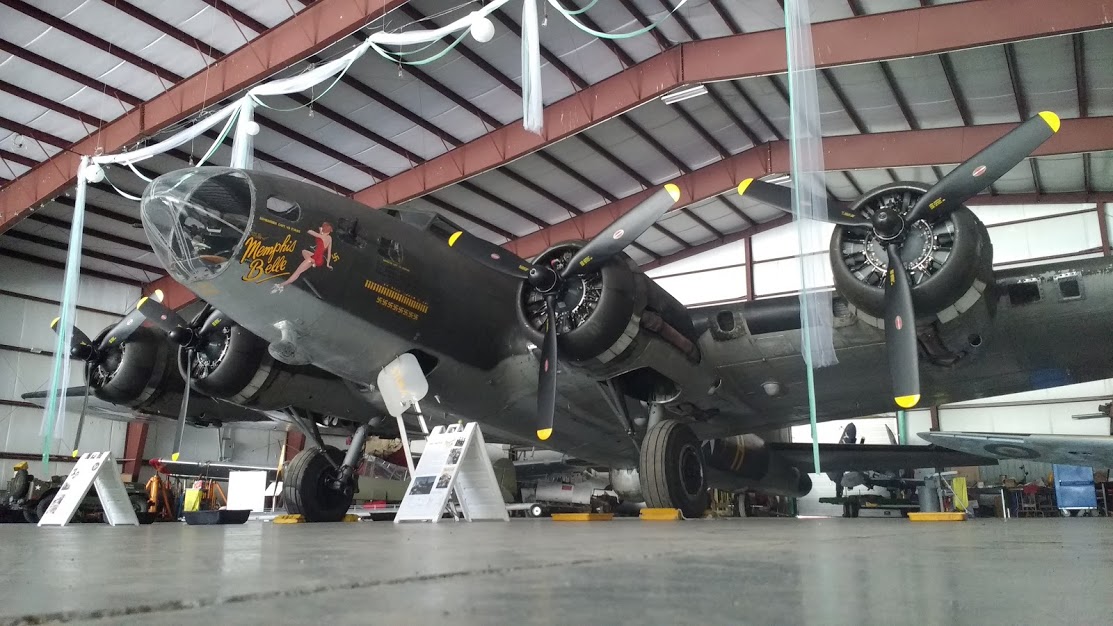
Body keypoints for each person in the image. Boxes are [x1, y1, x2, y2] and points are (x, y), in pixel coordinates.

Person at [271, 222, 333, 293]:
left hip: (314, 259)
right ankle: (312, 262)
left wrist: (320, 232)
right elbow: (329, 253)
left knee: (298, 272)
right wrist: (328, 264)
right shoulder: (329, 238)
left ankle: (282, 285)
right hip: (319, 259)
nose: (328, 233)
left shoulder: (321, 236)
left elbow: (309, 231)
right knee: (304, 251)